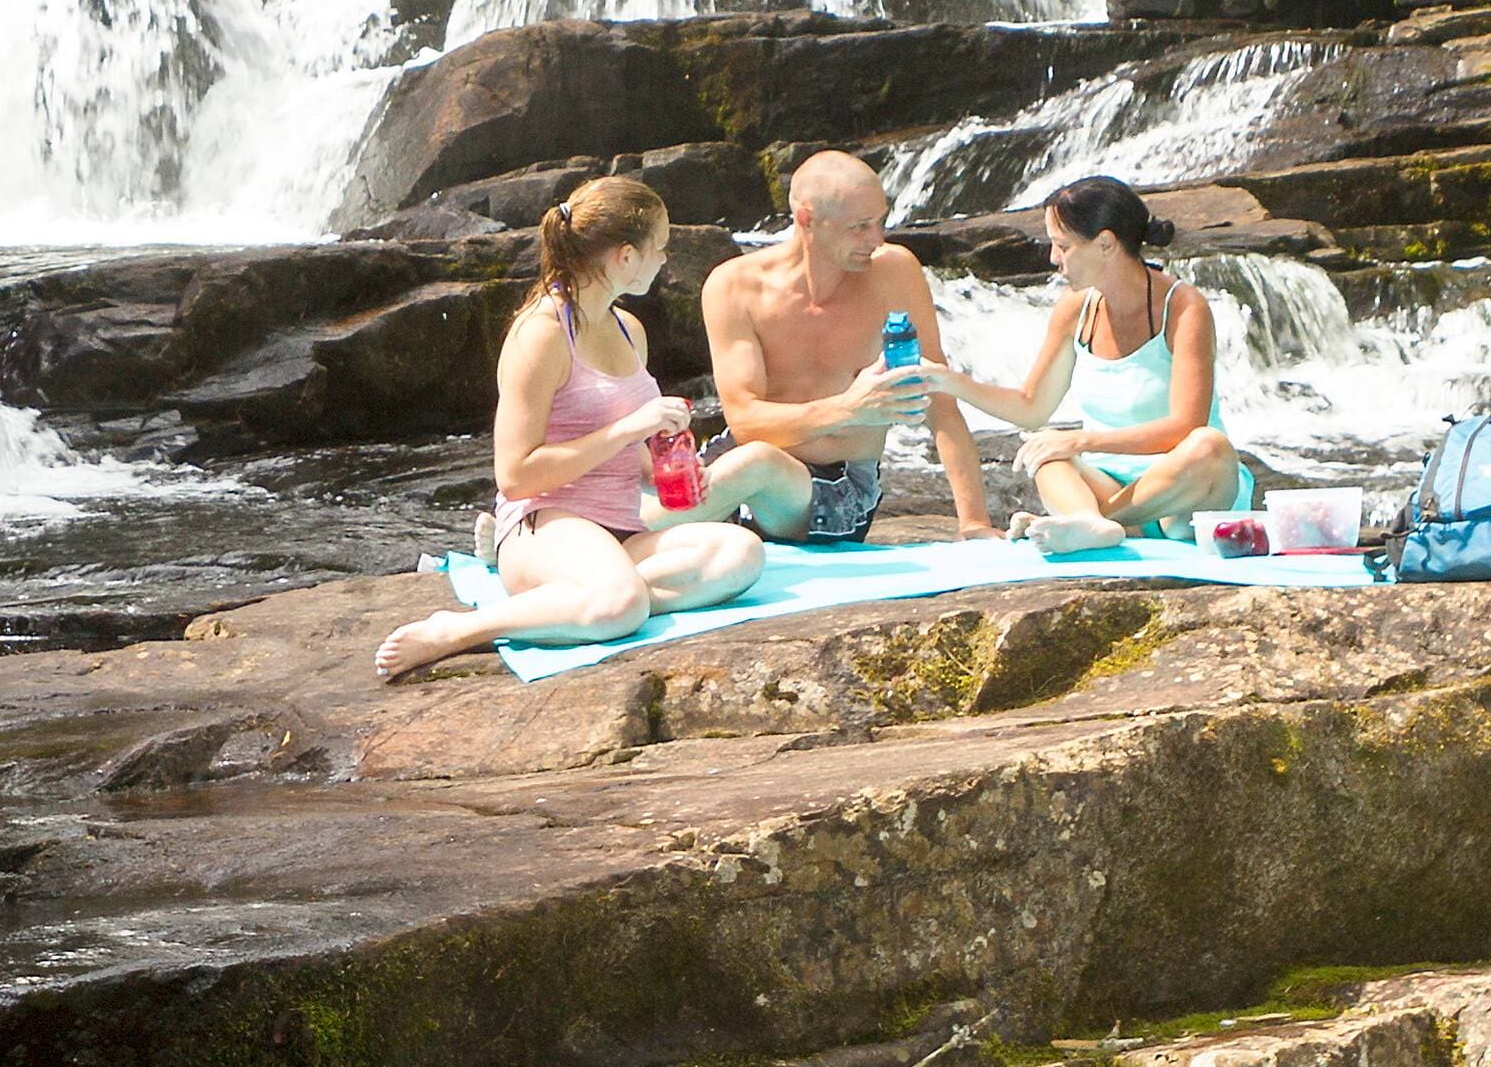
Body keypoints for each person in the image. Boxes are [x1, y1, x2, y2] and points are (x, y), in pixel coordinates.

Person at [376, 173, 773, 680]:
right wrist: (631, 429)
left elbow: (629, 449)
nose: (665, 260)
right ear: (625, 257)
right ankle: (459, 629)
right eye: (661, 247)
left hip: (621, 529)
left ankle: (577, 598)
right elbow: (515, 475)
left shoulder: (629, 330)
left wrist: (662, 470)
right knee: (620, 605)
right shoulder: (540, 335)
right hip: (545, 521)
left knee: (741, 553)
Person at [700, 148, 995, 542]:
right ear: (807, 218)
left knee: (759, 463)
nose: (876, 239)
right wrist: (850, 408)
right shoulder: (734, 286)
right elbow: (745, 421)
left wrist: (974, 521)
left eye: (880, 221)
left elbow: (940, 402)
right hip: (735, 465)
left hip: (836, 490)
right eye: (859, 227)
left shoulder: (895, 273)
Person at [966, 173, 1252, 536]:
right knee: (1049, 455)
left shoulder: (1183, 307)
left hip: (1187, 495)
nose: (1054, 258)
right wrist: (945, 381)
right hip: (1109, 484)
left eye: (1063, 246)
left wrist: (1083, 440)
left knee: (1210, 446)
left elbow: (1185, 426)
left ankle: (1095, 522)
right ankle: (1091, 524)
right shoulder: (1074, 310)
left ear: (1105, 244)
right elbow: (1030, 406)